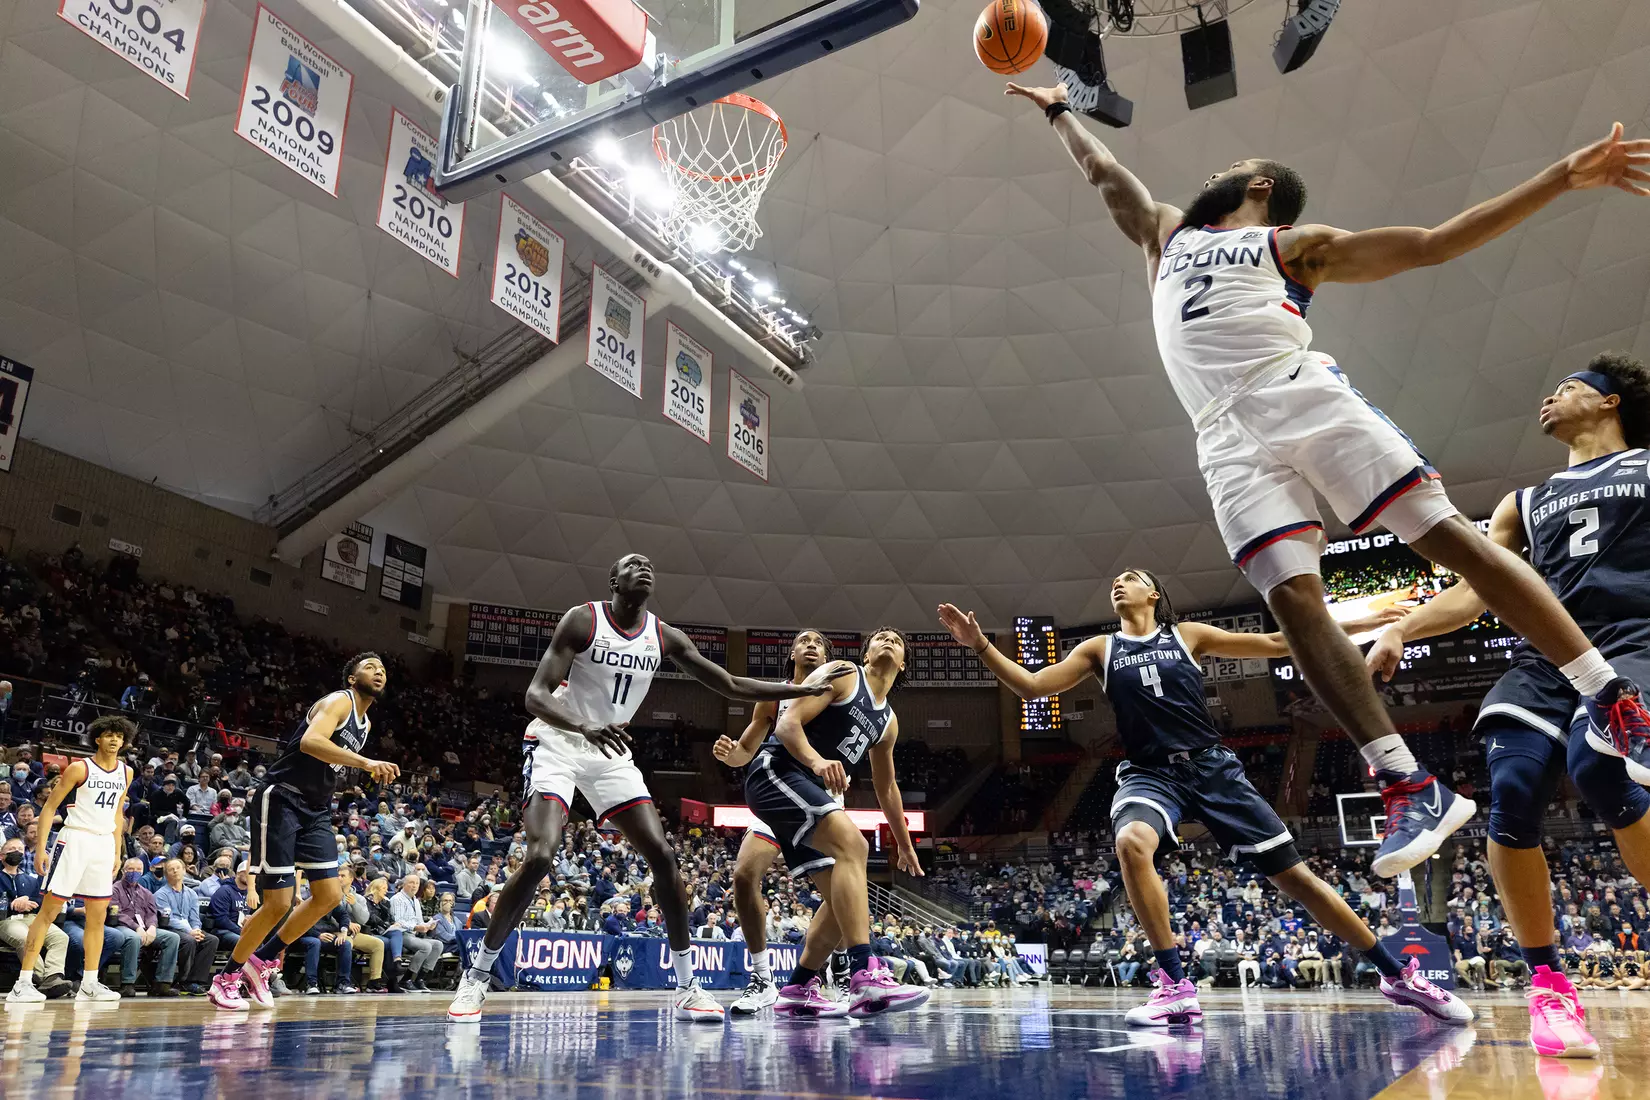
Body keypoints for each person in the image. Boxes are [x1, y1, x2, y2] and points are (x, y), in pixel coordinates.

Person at [1006, 78, 1650, 880]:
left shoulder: (1293, 246)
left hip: (1295, 391)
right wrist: (1060, 112)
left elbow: (1433, 243)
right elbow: (1108, 175)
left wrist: (1562, 175)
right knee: (1294, 601)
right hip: (1222, 439)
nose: (1214, 170)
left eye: (1232, 164)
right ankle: (1403, 779)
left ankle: (1611, 698)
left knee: (1444, 535)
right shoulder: (1166, 236)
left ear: (1259, 186)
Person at [939, 572, 1470, 1028]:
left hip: (1214, 770)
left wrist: (1365, 622)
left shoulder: (1186, 634)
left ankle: (1399, 974)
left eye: (1132, 577)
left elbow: (1281, 642)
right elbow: (1034, 687)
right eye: (1115, 581)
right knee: (1130, 842)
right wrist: (982, 646)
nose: (1119, 583)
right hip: (1150, 773)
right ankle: (1174, 985)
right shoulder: (1099, 649)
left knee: (1299, 881)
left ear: (1154, 595)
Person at [1367, 353, 1650, 1057]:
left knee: (1597, 763)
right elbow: (1480, 588)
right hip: (1542, 658)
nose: (1548, 398)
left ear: (1611, 403)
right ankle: (1549, 987)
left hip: (1631, 641)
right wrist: (1402, 626)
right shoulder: (1520, 503)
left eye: (1569, 388)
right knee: (1514, 790)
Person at [448, 554, 838, 1023]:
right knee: (539, 856)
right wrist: (583, 726)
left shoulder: (663, 634)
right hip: (558, 741)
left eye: (651, 565)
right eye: (633, 564)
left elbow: (731, 684)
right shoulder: (583, 619)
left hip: (609, 751)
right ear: (614, 579)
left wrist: (798, 692)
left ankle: (687, 986)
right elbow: (535, 695)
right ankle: (477, 977)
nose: (646, 568)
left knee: (665, 857)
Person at [724, 627, 928, 1018]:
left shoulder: (888, 722)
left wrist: (903, 843)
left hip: (808, 791)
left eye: (897, 640)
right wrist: (818, 761)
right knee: (855, 847)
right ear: (865, 653)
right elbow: (786, 725)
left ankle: (799, 985)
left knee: (841, 899)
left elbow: (887, 789)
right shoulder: (844, 672)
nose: (887, 638)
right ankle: (864, 974)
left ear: (902, 665)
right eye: (879, 635)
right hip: (777, 773)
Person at [209, 653, 399, 1011]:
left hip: (316, 808)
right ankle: (227, 977)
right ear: (352, 676)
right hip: (282, 798)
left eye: (383, 670)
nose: (379, 673)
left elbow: (329, 760)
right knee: (278, 902)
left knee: (329, 895)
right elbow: (312, 742)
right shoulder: (339, 700)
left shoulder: (366, 724)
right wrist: (366, 762)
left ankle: (261, 960)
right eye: (370, 667)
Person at [712, 629, 842, 1014]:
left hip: (818, 795)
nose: (812, 644)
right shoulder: (775, 695)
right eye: (804, 640)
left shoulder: (840, 690)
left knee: (840, 898)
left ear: (829, 656)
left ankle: (820, 975)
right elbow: (745, 751)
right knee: (743, 876)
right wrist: (729, 754)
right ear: (792, 653)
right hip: (779, 791)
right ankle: (762, 978)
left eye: (819, 641)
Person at [7, 715, 132, 1003]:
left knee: (98, 916)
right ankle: (23, 983)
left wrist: (116, 851)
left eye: (120, 736)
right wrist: (40, 848)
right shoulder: (79, 768)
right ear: (97, 738)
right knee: (48, 912)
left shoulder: (126, 772)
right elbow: (49, 808)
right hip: (75, 839)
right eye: (109, 735)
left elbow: (117, 814)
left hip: (103, 843)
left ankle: (90, 983)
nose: (115, 740)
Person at [152, 858, 219, 995]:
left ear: (184, 871)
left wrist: (197, 929)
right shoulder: (160, 894)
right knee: (188, 940)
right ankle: (182, 980)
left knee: (211, 940)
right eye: (171, 869)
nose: (175, 870)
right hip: (170, 929)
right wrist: (190, 931)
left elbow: (195, 917)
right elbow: (168, 919)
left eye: (178, 868)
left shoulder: (192, 893)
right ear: (166, 874)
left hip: (190, 929)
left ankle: (194, 981)